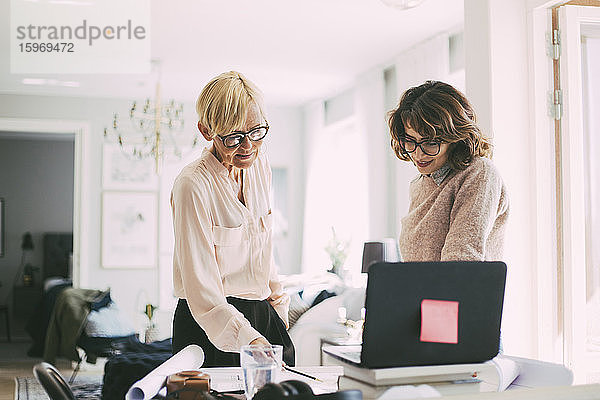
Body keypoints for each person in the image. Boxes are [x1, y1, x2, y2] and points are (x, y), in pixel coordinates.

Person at [170, 71, 294, 366]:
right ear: (205, 130)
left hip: (261, 314)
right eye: (235, 137)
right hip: (210, 323)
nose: (248, 146)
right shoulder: (192, 185)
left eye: (256, 132)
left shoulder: (259, 166)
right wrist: (247, 338)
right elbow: (201, 288)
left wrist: (278, 309)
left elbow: (265, 250)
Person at [388, 80, 509, 262]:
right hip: (422, 291)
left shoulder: (479, 173)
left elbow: (461, 260)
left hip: (461, 291)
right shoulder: (419, 184)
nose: (418, 154)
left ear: (455, 138)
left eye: (430, 142)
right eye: (410, 141)